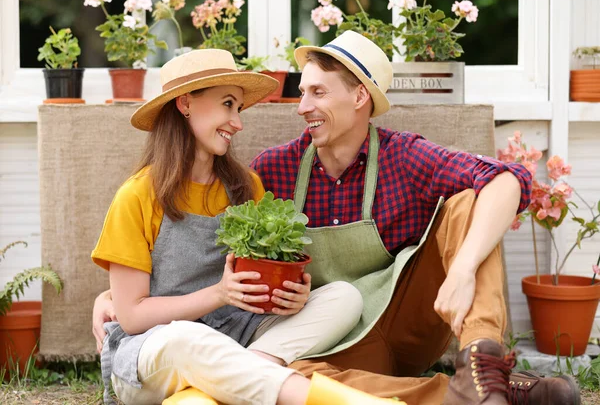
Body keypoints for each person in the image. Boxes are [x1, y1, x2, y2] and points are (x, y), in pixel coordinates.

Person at [94, 34, 581, 405]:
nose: (302, 107)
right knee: (293, 368)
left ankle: (479, 360)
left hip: (396, 320)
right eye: (302, 92)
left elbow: (508, 179)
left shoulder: (402, 158)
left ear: (359, 97)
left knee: (468, 204)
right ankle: (467, 394)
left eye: (317, 93)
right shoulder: (272, 171)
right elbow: (174, 274)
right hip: (336, 347)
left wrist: (460, 270)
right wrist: (119, 299)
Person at [91, 48, 402, 405]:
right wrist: (219, 294)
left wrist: (290, 295)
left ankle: (219, 386)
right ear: (185, 103)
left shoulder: (245, 186)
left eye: (238, 109)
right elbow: (131, 317)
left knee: (344, 297)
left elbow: (259, 278)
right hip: (152, 354)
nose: (237, 122)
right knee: (186, 339)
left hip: (233, 337)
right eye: (227, 104)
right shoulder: (137, 195)